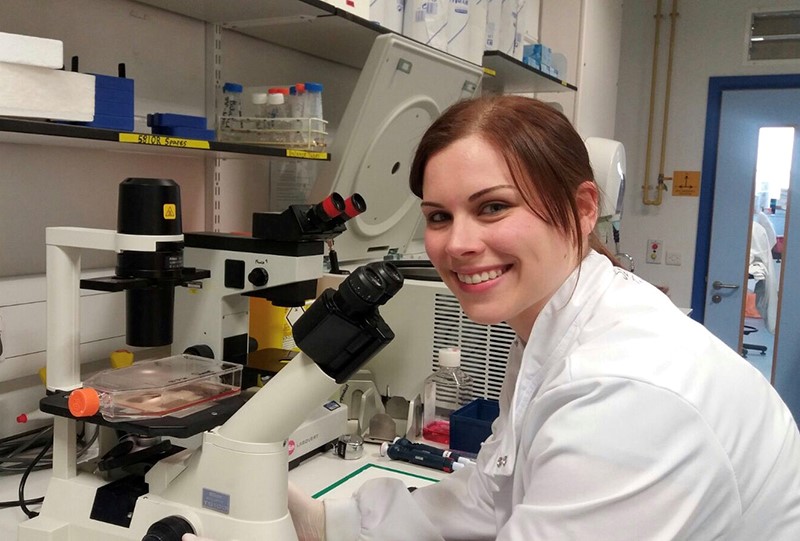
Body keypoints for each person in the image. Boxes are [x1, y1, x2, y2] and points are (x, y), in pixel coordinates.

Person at [187, 95, 800, 540]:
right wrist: (326, 523)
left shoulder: (626, 392)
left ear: (583, 207)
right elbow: (490, 498)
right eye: (438, 216)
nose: (458, 244)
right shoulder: (554, 325)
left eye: (493, 207)